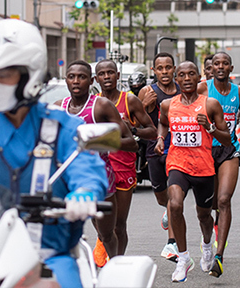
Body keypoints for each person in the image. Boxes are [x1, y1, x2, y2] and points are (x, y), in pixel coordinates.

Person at [0, 19, 108, 288]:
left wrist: (83, 193)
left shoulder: (62, 127)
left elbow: (87, 172)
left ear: (29, 74)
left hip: (48, 256)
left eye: (3, 74)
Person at [54, 60, 139, 266]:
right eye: (71, 77)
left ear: (91, 81)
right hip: (68, 179)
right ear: (66, 80)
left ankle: (117, 269)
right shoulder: (58, 108)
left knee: (107, 233)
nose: (76, 81)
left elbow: (131, 144)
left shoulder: (101, 106)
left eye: (81, 77)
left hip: (100, 178)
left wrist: (97, 141)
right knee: (65, 232)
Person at [155, 61, 232, 282]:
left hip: (204, 168)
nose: (186, 78)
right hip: (177, 164)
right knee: (175, 204)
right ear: (176, 79)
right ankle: (183, 257)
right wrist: (161, 138)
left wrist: (209, 128)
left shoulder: (210, 104)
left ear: (199, 77)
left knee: (204, 215)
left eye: (191, 74)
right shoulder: (168, 105)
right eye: (182, 75)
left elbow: (227, 140)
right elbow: (163, 123)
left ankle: (207, 244)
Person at [197, 51, 240, 278]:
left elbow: (239, 111)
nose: (220, 67)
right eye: (216, 64)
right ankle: (207, 242)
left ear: (231, 68)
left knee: (224, 200)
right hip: (205, 150)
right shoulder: (203, 89)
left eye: (225, 64)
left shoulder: (239, 91)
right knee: (208, 208)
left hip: (229, 149)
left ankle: (219, 256)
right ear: (211, 68)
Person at [93, 59, 157, 261]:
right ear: (96, 78)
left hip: (123, 167)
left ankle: (117, 264)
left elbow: (152, 132)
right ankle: (105, 248)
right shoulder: (93, 103)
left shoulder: (129, 101)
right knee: (100, 223)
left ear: (117, 76)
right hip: (99, 167)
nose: (106, 77)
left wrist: (133, 129)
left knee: (119, 225)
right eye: (102, 74)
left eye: (110, 73)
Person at [138, 52, 180, 261]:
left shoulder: (182, 91)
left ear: (174, 69)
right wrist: (144, 105)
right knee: (162, 197)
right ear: (153, 70)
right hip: (154, 150)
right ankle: (166, 210)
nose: (165, 72)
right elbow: (135, 124)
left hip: (178, 150)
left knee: (174, 197)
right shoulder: (147, 91)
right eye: (160, 68)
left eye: (168, 67)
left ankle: (171, 243)